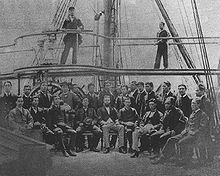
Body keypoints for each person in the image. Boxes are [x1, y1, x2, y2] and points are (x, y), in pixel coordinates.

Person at [152, 98, 209, 166]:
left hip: (196, 135)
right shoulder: (192, 114)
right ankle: (163, 157)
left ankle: (183, 160)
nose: (192, 105)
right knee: (171, 139)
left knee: (181, 142)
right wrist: (185, 130)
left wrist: (193, 132)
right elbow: (187, 124)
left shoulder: (202, 114)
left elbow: (202, 128)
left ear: (199, 105)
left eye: (194, 103)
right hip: (187, 133)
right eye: (191, 103)